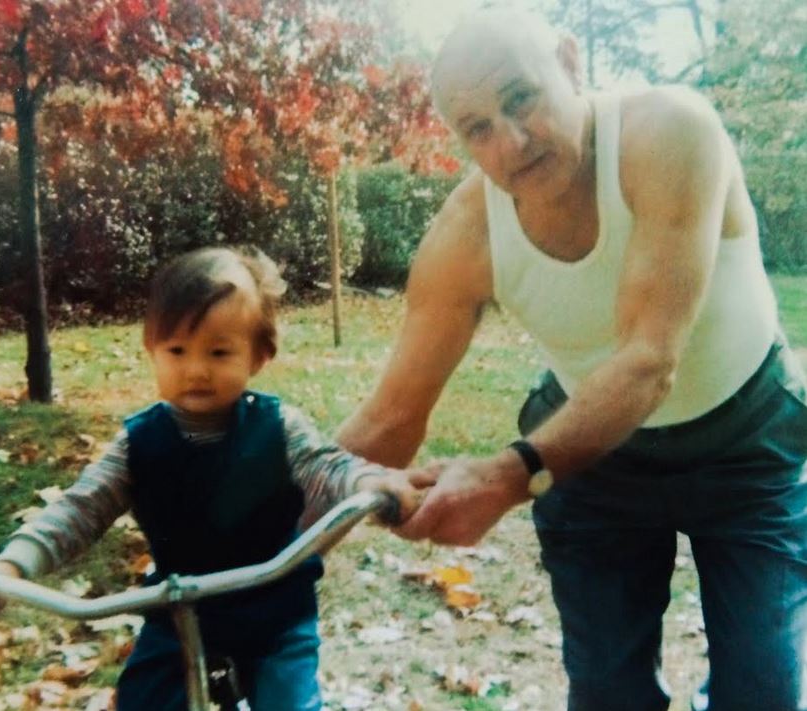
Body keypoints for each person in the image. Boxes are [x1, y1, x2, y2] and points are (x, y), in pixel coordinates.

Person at [336, 8, 807, 711]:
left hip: (749, 446)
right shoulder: (466, 235)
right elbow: (392, 417)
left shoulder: (670, 133)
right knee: (608, 694)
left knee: (763, 694)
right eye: (478, 129)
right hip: (593, 462)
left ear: (568, 60)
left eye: (520, 97)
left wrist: (505, 475)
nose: (512, 141)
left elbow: (649, 360)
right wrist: (257, 541)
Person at [0, 247, 422, 711]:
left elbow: (329, 465)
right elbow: (80, 508)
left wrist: (369, 484)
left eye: (219, 351)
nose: (195, 369)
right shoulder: (139, 444)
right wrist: (14, 565)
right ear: (151, 349)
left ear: (259, 356)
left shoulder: (280, 428)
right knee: (141, 701)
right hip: (178, 614)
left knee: (290, 703)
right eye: (176, 350)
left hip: (275, 613)